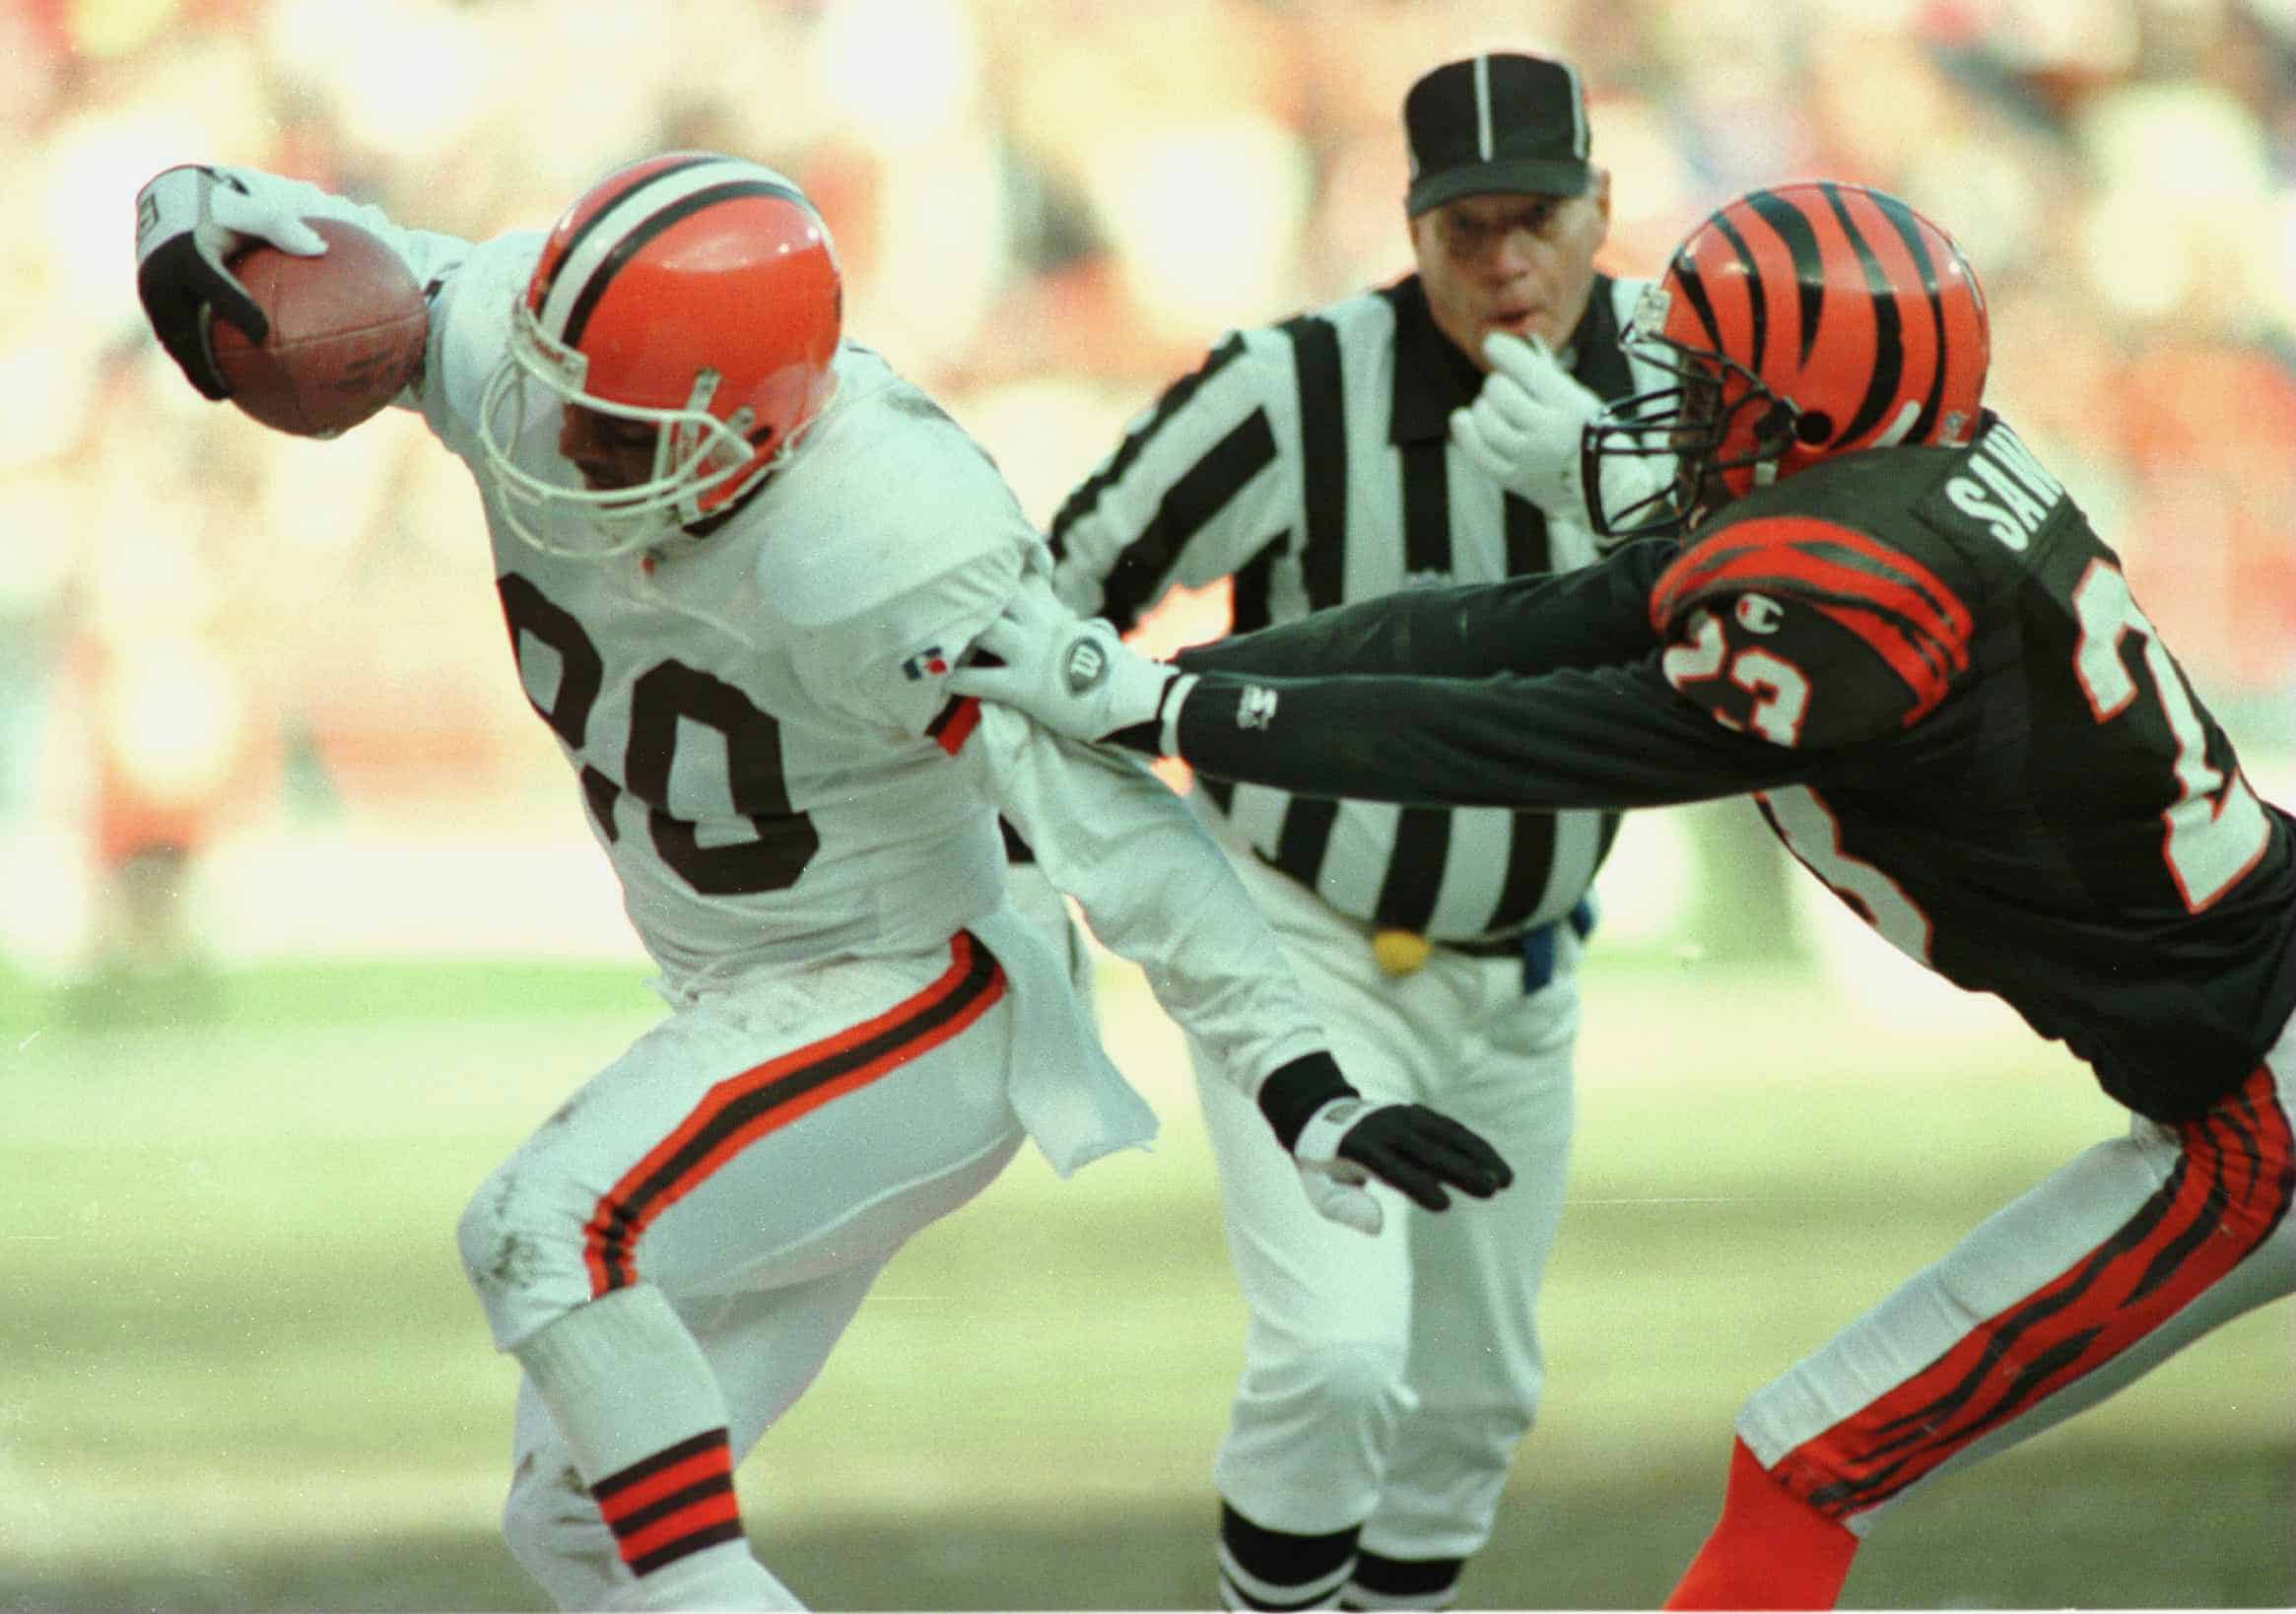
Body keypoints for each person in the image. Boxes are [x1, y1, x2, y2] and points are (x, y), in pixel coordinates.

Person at [130, 154, 1516, 1613]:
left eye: (617, 427)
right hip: (743, 994)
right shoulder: (528, 350)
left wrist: (1300, 1077)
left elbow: (1116, 832)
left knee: (546, 1228)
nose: (563, 442)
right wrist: (184, 212)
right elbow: (324, 259)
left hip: (919, 991)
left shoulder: (887, 537)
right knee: (580, 1524)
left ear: (753, 428)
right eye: (559, 390)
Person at [951, 178, 2296, 1610]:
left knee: (1804, 1458)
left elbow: (1513, 739)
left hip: (2254, 1106)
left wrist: (1177, 714)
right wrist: (1161, 689)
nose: (1676, 402)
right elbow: (1487, 626)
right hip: (2248, 1042)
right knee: (1805, 1449)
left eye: (1714, 381)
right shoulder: (1919, 481)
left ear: (1809, 414)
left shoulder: (1844, 585)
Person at [1007, 49, 1670, 1614]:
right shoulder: (1294, 386)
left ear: (1603, 209)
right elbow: (1057, 596)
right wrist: (1079, 850)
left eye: (1538, 219)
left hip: (1522, 966)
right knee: (1336, 1355)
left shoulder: (1680, 369)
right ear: (1410, 226)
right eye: (1465, 228)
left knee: (1471, 1403)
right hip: (1300, 930)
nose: (1507, 261)